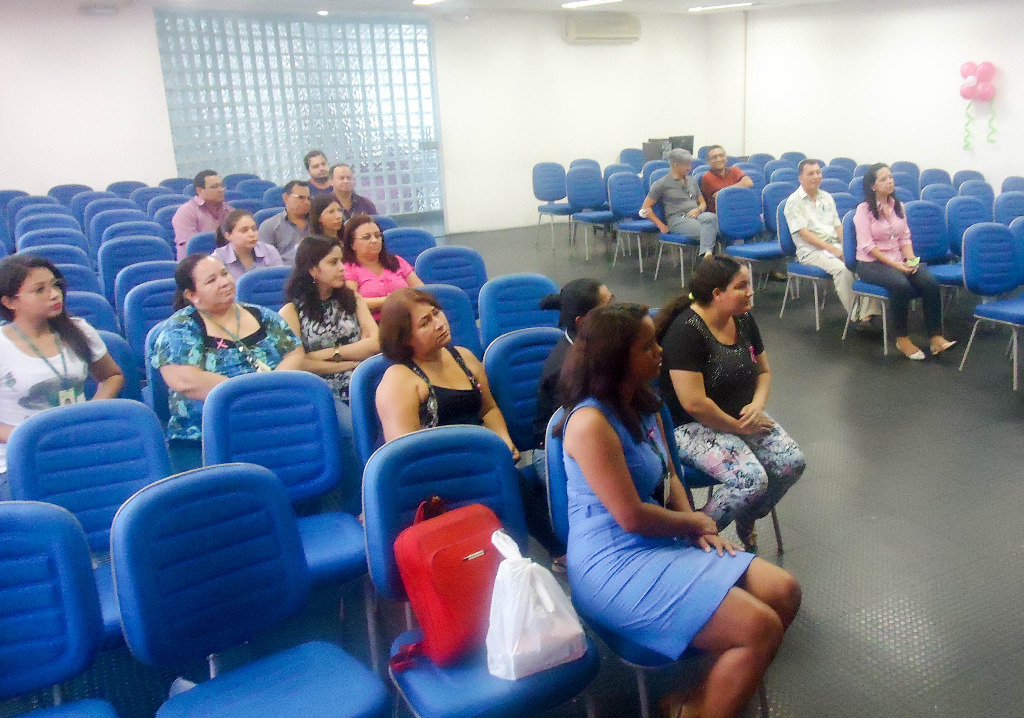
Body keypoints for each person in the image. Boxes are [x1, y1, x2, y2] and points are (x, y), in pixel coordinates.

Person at [559, 303, 801, 718]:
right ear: (616, 359)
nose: (660, 352)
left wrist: (695, 528)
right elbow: (631, 517)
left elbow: (670, 474)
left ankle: (698, 697)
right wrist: (694, 522)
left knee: (785, 592)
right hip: (612, 559)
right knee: (759, 628)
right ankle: (695, 710)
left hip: (658, 538)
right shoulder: (590, 423)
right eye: (647, 347)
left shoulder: (646, 403)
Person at [655, 257, 805, 552]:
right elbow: (694, 404)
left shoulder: (743, 319)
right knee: (750, 479)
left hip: (740, 417)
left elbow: (763, 372)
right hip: (691, 426)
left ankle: (746, 515)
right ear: (717, 294)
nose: (750, 292)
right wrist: (737, 427)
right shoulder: (686, 332)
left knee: (792, 463)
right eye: (742, 286)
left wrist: (757, 407)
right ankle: (693, 536)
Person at [152, 254, 304, 468]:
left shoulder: (261, 315)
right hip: (204, 437)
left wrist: (271, 389)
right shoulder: (180, 329)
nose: (224, 282)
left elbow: (294, 352)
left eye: (225, 273)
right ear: (192, 295)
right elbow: (185, 380)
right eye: (211, 280)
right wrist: (252, 397)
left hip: (272, 421)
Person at [0, 256, 124, 498]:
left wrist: (91, 411)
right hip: (19, 458)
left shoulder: (78, 330)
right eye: (40, 290)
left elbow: (112, 375)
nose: (55, 294)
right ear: (10, 302)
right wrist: (29, 436)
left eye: (56, 285)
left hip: (78, 446)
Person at [376, 288, 515, 454]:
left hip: (480, 457)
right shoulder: (398, 381)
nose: (439, 324)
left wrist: (505, 444)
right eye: (425, 323)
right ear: (404, 338)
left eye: (436, 313)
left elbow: (488, 410)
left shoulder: (464, 357)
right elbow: (405, 453)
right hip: (436, 465)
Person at [854, 163, 957, 360]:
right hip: (871, 264)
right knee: (901, 285)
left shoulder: (898, 207)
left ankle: (936, 337)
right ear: (873, 186)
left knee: (930, 283)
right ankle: (901, 338)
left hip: (899, 260)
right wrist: (896, 265)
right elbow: (868, 246)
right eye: (883, 179)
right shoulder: (863, 210)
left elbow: (905, 238)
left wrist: (911, 260)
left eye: (890, 177)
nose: (890, 181)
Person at [279, 235, 379, 406]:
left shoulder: (353, 299)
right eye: (333, 262)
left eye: (341, 261)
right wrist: (351, 363)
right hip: (321, 391)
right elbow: (299, 364)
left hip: (363, 381)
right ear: (313, 270)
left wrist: (330, 353)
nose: (342, 268)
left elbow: (376, 343)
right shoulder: (291, 311)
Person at [783, 159, 879, 326]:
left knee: (863, 262)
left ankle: (869, 312)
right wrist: (833, 250)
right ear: (800, 178)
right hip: (811, 251)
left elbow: (838, 226)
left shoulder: (826, 197)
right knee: (842, 269)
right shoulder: (793, 202)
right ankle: (856, 315)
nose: (815, 177)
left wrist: (847, 248)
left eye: (818, 172)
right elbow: (805, 235)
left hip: (834, 246)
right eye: (810, 174)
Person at [532, 278, 614, 461]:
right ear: (583, 322)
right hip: (555, 450)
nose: (616, 311)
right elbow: (572, 431)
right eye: (608, 306)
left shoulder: (599, 345)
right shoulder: (565, 370)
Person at [642, 148, 719, 260]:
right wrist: (661, 225)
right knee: (707, 231)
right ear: (676, 165)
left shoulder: (692, 181)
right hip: (678, 219)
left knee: (712, 218)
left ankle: (706, 256)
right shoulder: (662, 183)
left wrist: (699, 210)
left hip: (697, 215)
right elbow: (645, 208)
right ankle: (708, 258)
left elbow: (702, 202)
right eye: (686, 165)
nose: (689, 168)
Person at [342, 214, 423, 320]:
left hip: (407, 319)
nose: (374, 240)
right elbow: (353, 301)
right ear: (352, 245)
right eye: (367, 237)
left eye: (377, 236)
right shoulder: (348, 268)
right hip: (373, 322)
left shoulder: (396, 261)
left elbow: (421, 290)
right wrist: (391, 301)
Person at [171, 169, 234, 260]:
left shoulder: (229, 210)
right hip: (195, 263)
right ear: (199, 190)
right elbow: (193, 246)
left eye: (222, 186)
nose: (221, 190)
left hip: (225, 261)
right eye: (215, 187)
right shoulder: (186, 212)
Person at [210, 209, 283, 280]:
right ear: (228, 235)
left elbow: (280, 280)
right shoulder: (217, 258)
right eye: (244, 230)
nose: (252, 234)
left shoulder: (269, 251)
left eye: (254, 229)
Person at [257, 180, 311, 264]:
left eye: (308, 198)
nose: (307, 202)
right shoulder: (269, 226)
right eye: (301, 197)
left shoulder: (317, 223)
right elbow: (264, 262)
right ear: (286, 198)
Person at [700, 145, 753, 214]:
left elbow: (749, 182)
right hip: (721, 213)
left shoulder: (735, 170)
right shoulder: (707, 177)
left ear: (726, 158)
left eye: (721, 156)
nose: (719, 159)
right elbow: (721, 196)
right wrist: (739, 187)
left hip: (739, 208)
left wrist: (726, 190)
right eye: (714, 157)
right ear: (709, 162)